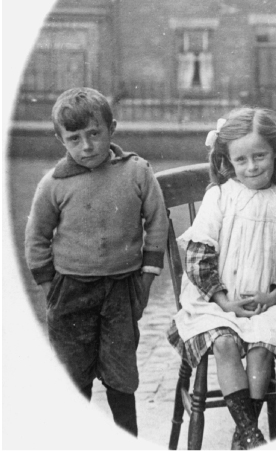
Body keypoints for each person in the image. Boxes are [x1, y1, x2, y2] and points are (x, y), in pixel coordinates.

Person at [167, 107, 276, 449]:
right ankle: (251, 433)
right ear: (227, 162)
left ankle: (244, 433)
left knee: (262, 347)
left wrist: (274, 296)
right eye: (242, 160)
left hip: (268, 303)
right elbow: (198, 256)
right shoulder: (220, 197)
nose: (252, 167)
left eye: (260, 156)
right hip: (216, 303)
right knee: (224, 342)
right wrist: (224, 300)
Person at [25, 87, 169, 437]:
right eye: (74, 138)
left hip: (121, 288)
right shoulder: (54, 184)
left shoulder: (137, 172)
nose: (86, 146)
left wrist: (146, 280)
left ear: (112, 128)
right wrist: (51, 287)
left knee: (121, 373)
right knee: (74, 376)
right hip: (70, 291)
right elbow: (37, 237)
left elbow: (157, 222)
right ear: (61, 140)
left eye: (94, 134)